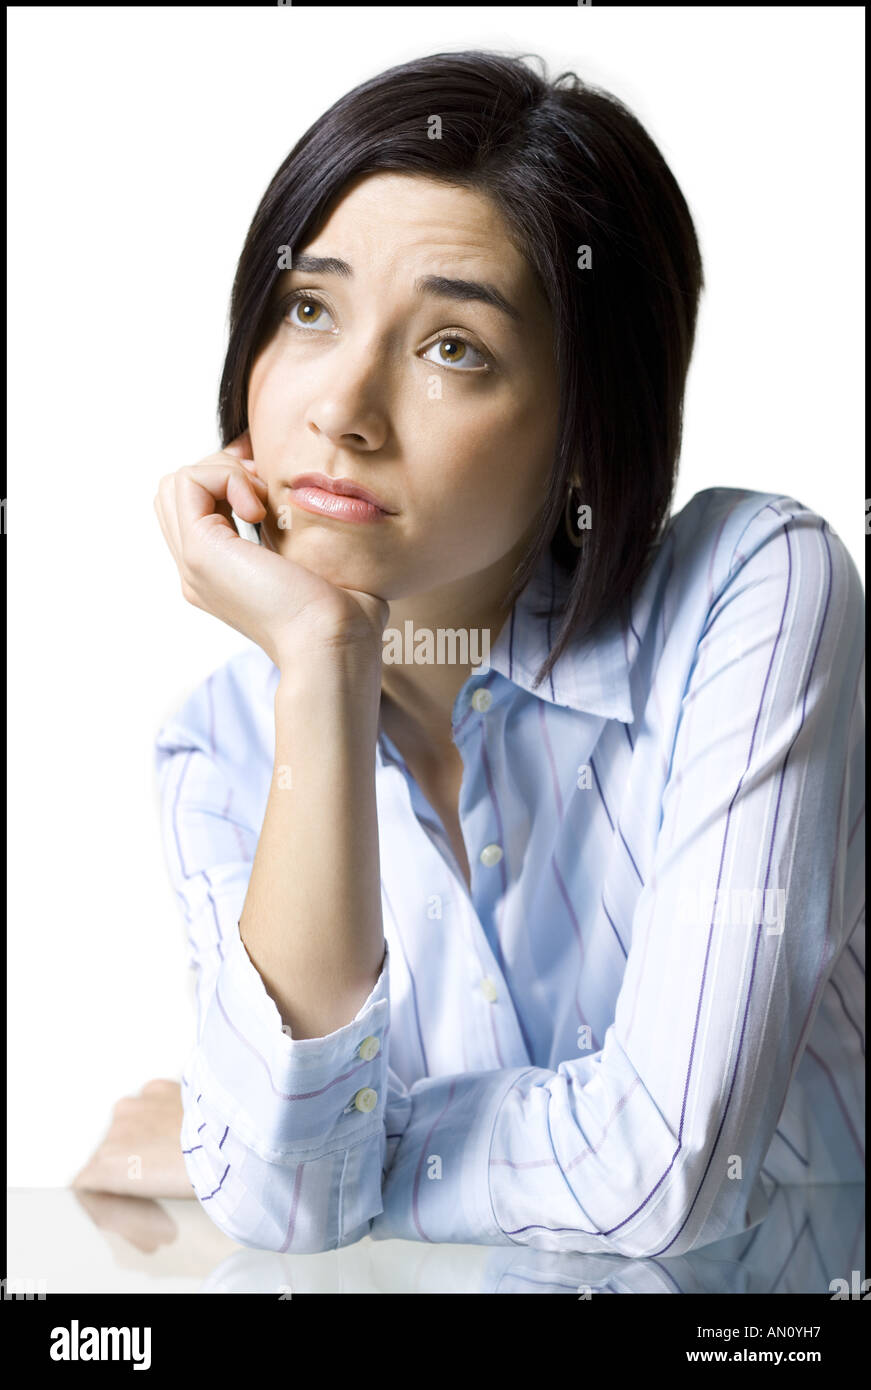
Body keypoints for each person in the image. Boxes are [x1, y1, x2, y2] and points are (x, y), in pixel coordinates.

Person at [76, 51, 864, 1257]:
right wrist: (323, 653)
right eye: (311, 308)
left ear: (587, 430)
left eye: (454, 347)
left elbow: (667, 1172)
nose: (342, 407)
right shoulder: (226, 739)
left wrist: (301, 1146)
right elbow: (293, 1213)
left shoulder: (749, 591)